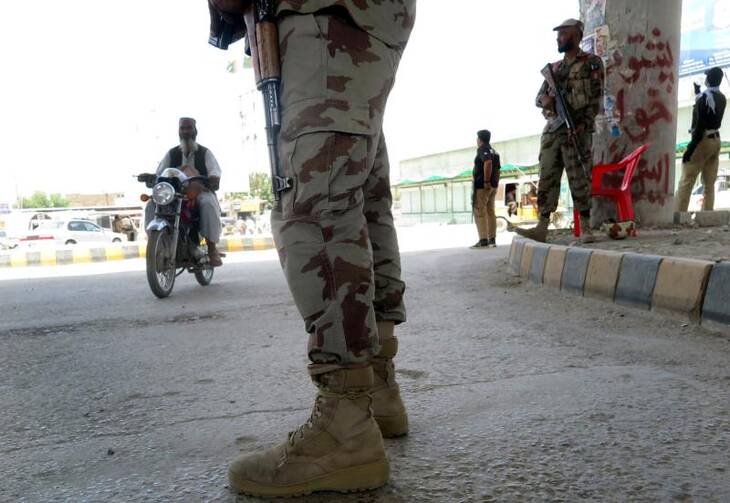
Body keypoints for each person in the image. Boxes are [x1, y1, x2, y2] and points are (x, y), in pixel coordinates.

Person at [208, 0, 414, 497]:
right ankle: (378, 386)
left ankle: (346, 425)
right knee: (360, 191)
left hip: (319, 10)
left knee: (313, 202)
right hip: (363, 16)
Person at [515, 18, 603, 243]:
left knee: (580, 178)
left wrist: (583, 124)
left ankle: (585, 228)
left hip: (577, 130)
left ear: (575, 35)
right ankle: (542, 226)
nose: (558, 38)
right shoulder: (554, 69)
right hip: (553, 131)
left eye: (563, 34)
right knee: (547, 178)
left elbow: (595, 98)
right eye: (559, 34)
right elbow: (538, 98)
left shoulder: (591, 63)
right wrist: (547, 100)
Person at [145, 117, 223, 266]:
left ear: (195, 131)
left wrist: (211, 180)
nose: (186, 132)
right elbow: (160, 174)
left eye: (189, 128)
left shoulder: (205, 153)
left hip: (199, 192)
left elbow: (215, 173)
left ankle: (212, 248)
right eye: (183, 128)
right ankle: (155, 244)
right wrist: (151, 178)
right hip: (174, 194)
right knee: (150, 204)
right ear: (179, 131)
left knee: (207, 203)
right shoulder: (171, 153)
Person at [675, 67, 727, 212]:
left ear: (708, 80)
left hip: (702, 141)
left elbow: (701, 124)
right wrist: (698, 93)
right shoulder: (721, 97)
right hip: (715, 140)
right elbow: (710, 111)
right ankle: (707, 214)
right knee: (709, 183)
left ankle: (679, 215)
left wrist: (690, 148)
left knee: (686, 180)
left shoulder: (705, 98)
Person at [471, 129, 500, 248]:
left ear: (480, 140)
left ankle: (483, 240)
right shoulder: (495, 151)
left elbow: (487, 163)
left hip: (483, 186)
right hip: (492, 186)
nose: (476, 141)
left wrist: (486, 181)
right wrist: (494, 183)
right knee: (490, 211)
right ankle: (492, 239)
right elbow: (498, 169)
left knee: (480, 211)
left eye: (477, 138)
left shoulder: (483, 149)